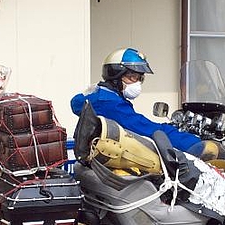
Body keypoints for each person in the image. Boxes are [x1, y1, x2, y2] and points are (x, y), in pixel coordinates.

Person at [70, 47, 201, 153]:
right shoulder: (112, 104)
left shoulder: (100, 95)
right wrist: (194, 143)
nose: (137, 83)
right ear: (116, 76)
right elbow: (149, 130)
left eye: (139, 78)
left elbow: (76, 102)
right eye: (132, 77)